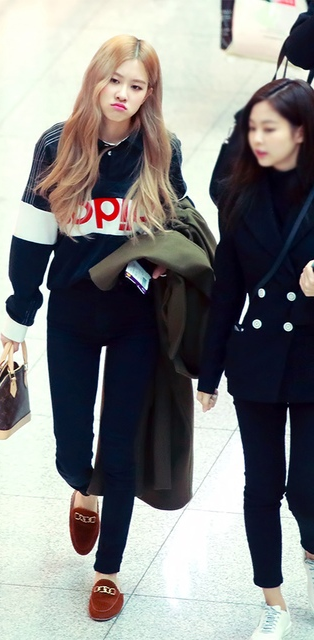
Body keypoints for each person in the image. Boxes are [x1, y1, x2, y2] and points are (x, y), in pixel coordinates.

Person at [0, 35, 185, 622]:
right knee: (74, 448)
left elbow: (181, 225)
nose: (123, 94)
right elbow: (32, 233)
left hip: (136, 316)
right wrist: (18, 314)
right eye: (114, 80)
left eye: (137, 86)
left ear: (150, 94)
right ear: (95, 81)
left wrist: (164, 259)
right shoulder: (57, 144)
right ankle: (84, 488)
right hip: (72, 313)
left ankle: (108, 572)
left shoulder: (162, 149)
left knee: (121, 445)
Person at [199, 78, 314, 640]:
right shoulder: (240, 197)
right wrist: (208, 373)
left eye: (270, 128)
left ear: (301, 132)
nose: (259, 139)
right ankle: (273, 602)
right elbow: (227, 292)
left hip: (313, 358)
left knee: (308, 488)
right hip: (258, 360)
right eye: (252, 128)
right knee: (262, 485)